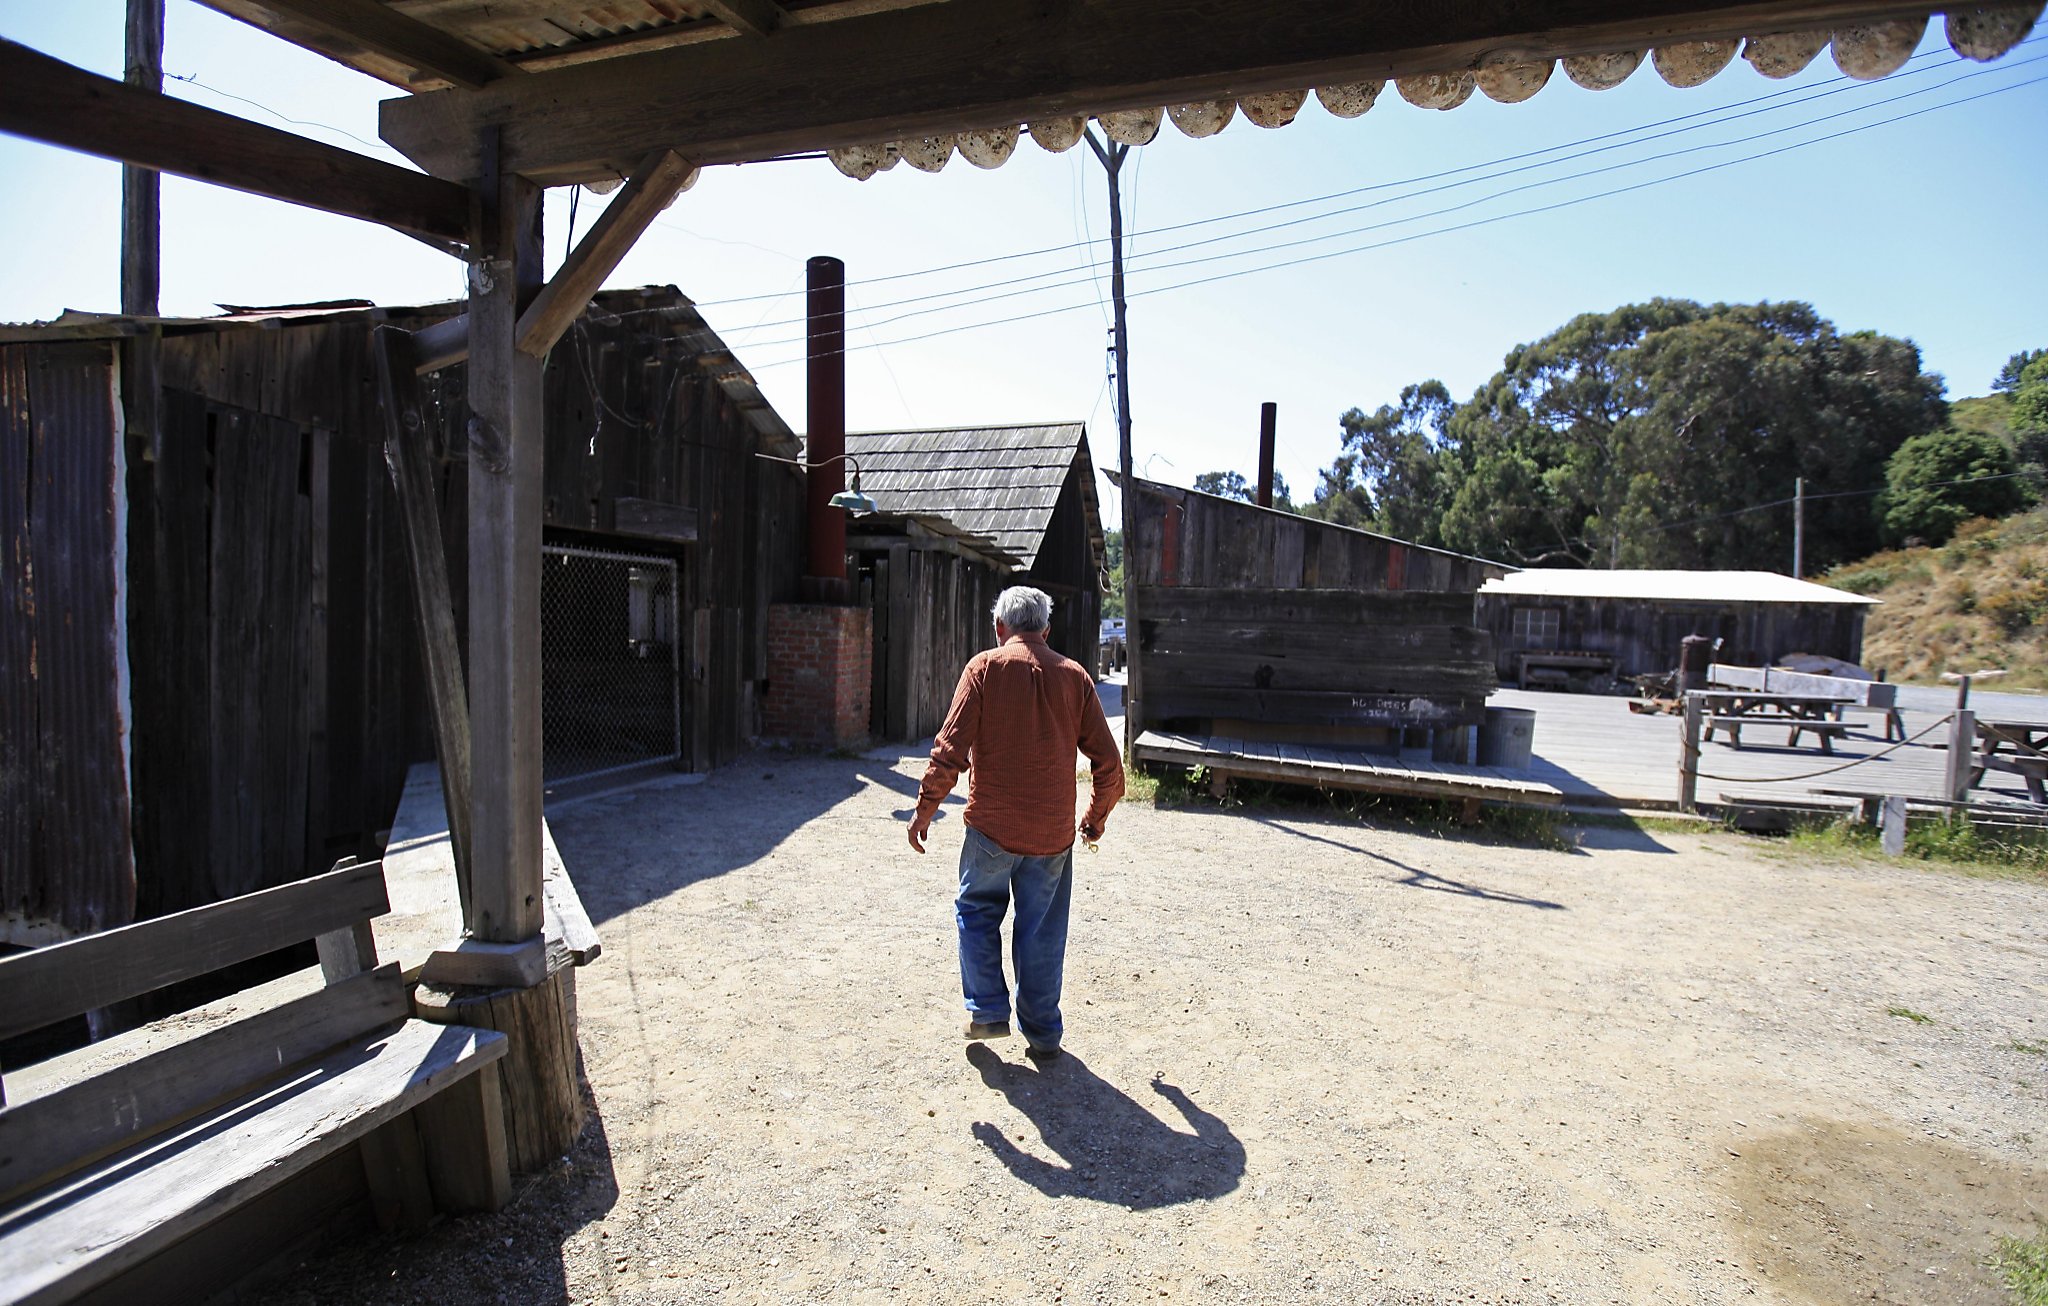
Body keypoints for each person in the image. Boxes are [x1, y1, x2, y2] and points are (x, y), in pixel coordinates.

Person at [907, 585, 1124, 1061]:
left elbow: (949, 751)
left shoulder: (983, 669)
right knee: (1042, 930)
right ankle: (1044, 1033)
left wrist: (925, 808)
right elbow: (1111, 766)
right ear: (1046, 629)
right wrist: (1094, 820)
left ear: (999, 628)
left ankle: (987, 1010)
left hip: (990, 830)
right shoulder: (1076, 678)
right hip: (1051, 836)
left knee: (977, 912)